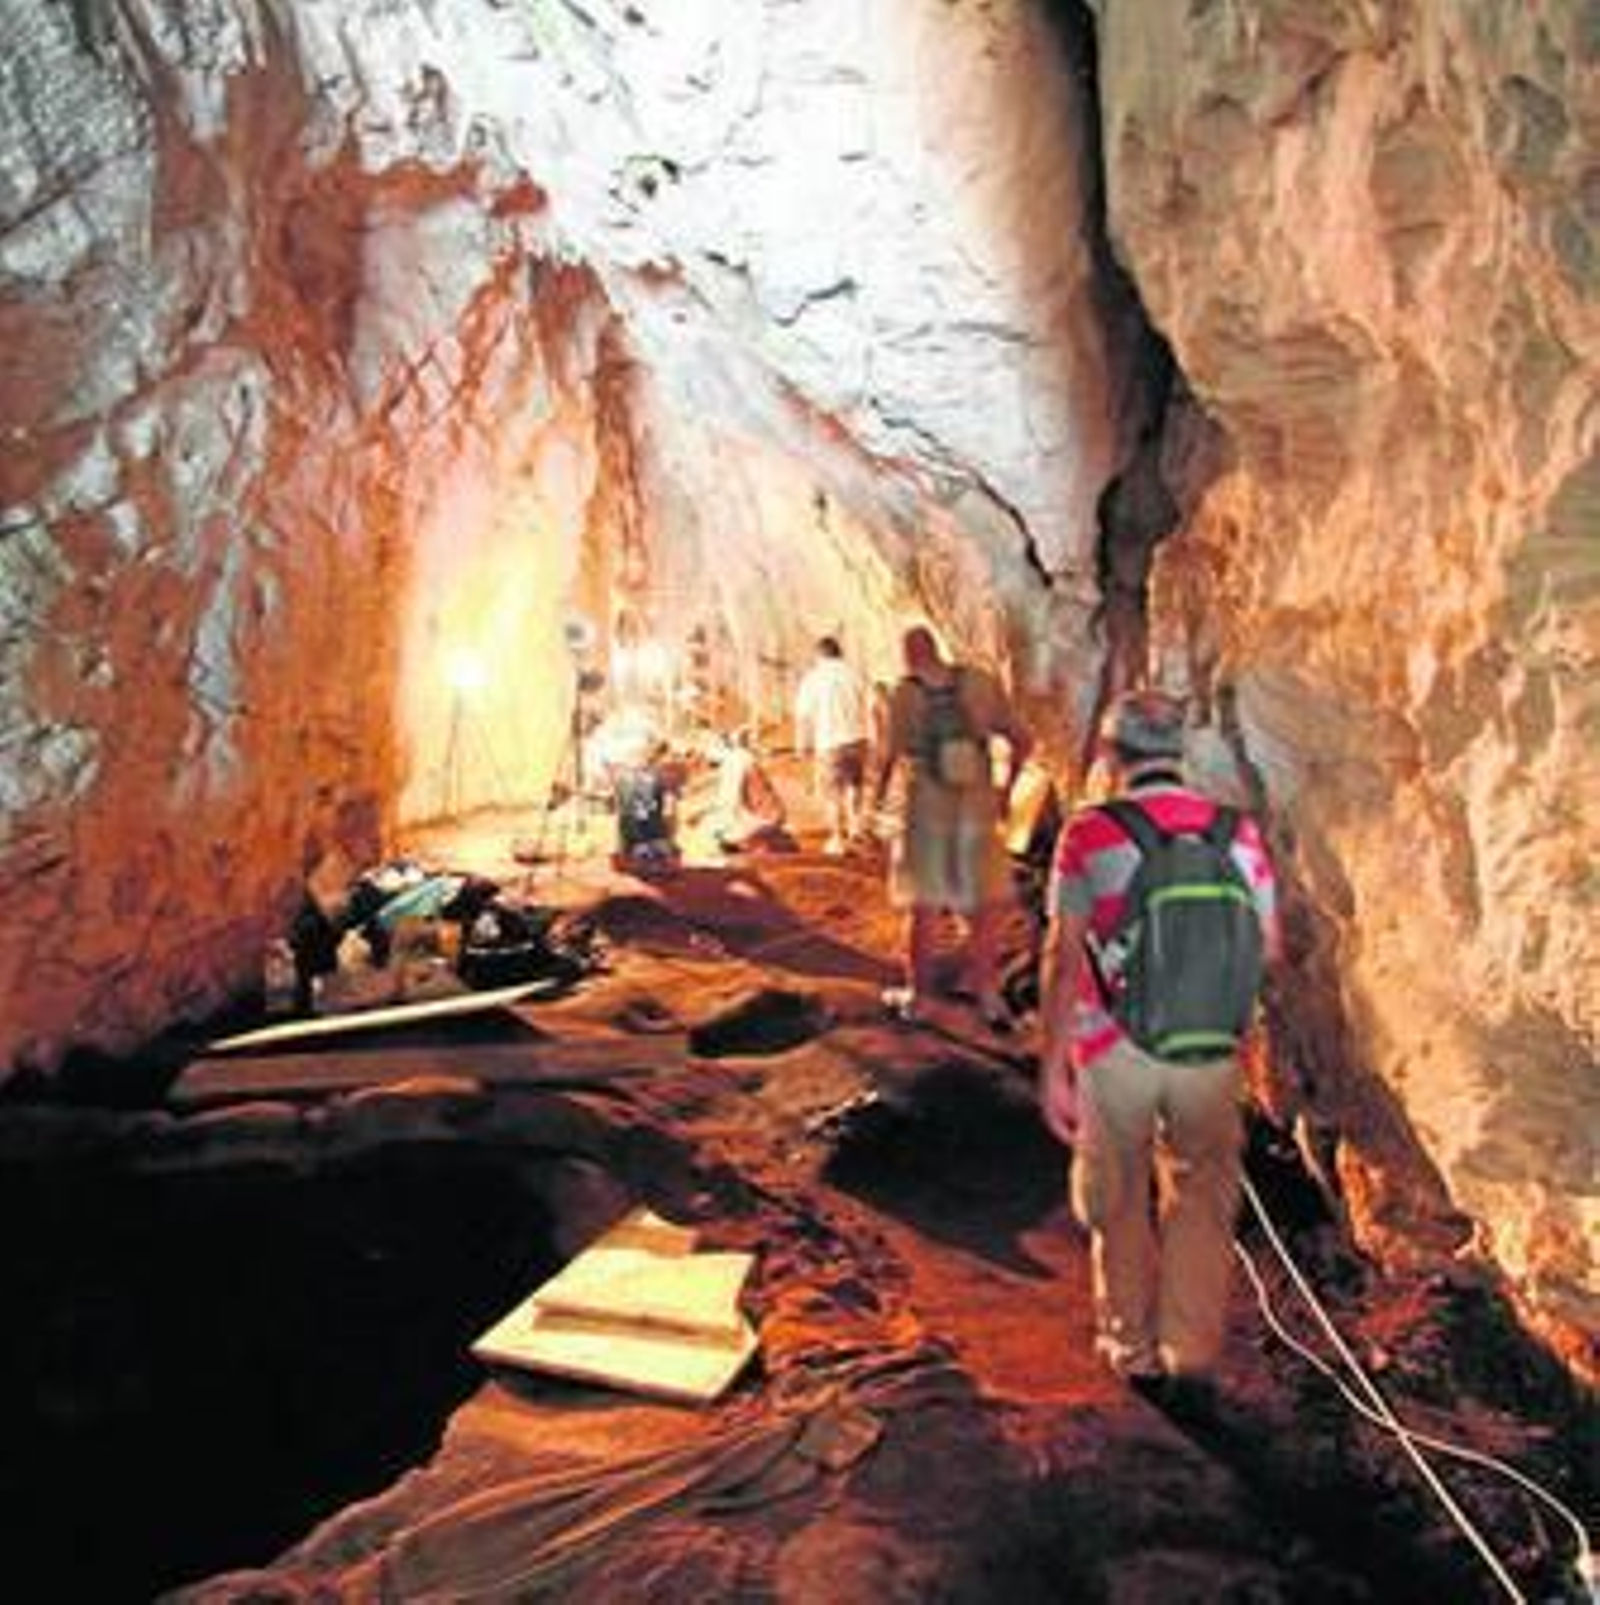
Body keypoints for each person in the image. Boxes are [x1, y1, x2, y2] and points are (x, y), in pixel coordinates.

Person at [1038, 689, 1280, 1391]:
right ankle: (1190, 1348)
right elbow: (1268, 946)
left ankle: (1131, 1346)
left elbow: (1062, 951)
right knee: (1202, 1194)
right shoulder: (1237, 832)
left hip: (1114, 1048)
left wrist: (1052, 1063)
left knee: (1118, 1195)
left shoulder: (1090, 832)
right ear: (1179, 751)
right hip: (1209, 1049)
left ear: (1113, 756)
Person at [869, 625, 1032, 1027]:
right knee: (984, 905)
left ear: (908, 656)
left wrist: (874, 804)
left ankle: (920, 998)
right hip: (976, 804)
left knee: (924, 906)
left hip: (927, 809)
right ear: (936, 649)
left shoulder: (904, 694)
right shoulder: (979, 682)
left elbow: (888, 757)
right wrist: (1006, 788)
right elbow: (1022, 739)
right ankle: (988, 993)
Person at [793, 635, 873, 854]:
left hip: (830, 742)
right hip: (858, 739)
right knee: (854, 787)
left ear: (819, 655)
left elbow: (803, 715)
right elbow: (871, 705)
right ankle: (856, 829)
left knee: (832, 792)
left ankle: (838, 838)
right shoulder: (855, 675)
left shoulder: (814, 678)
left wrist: (802, 744)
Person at [708, 729, 789, 852]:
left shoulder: (734, 761)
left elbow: (729, 801)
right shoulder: (746, 761)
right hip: (747, 827)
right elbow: (771, 809)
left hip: (736, 827)